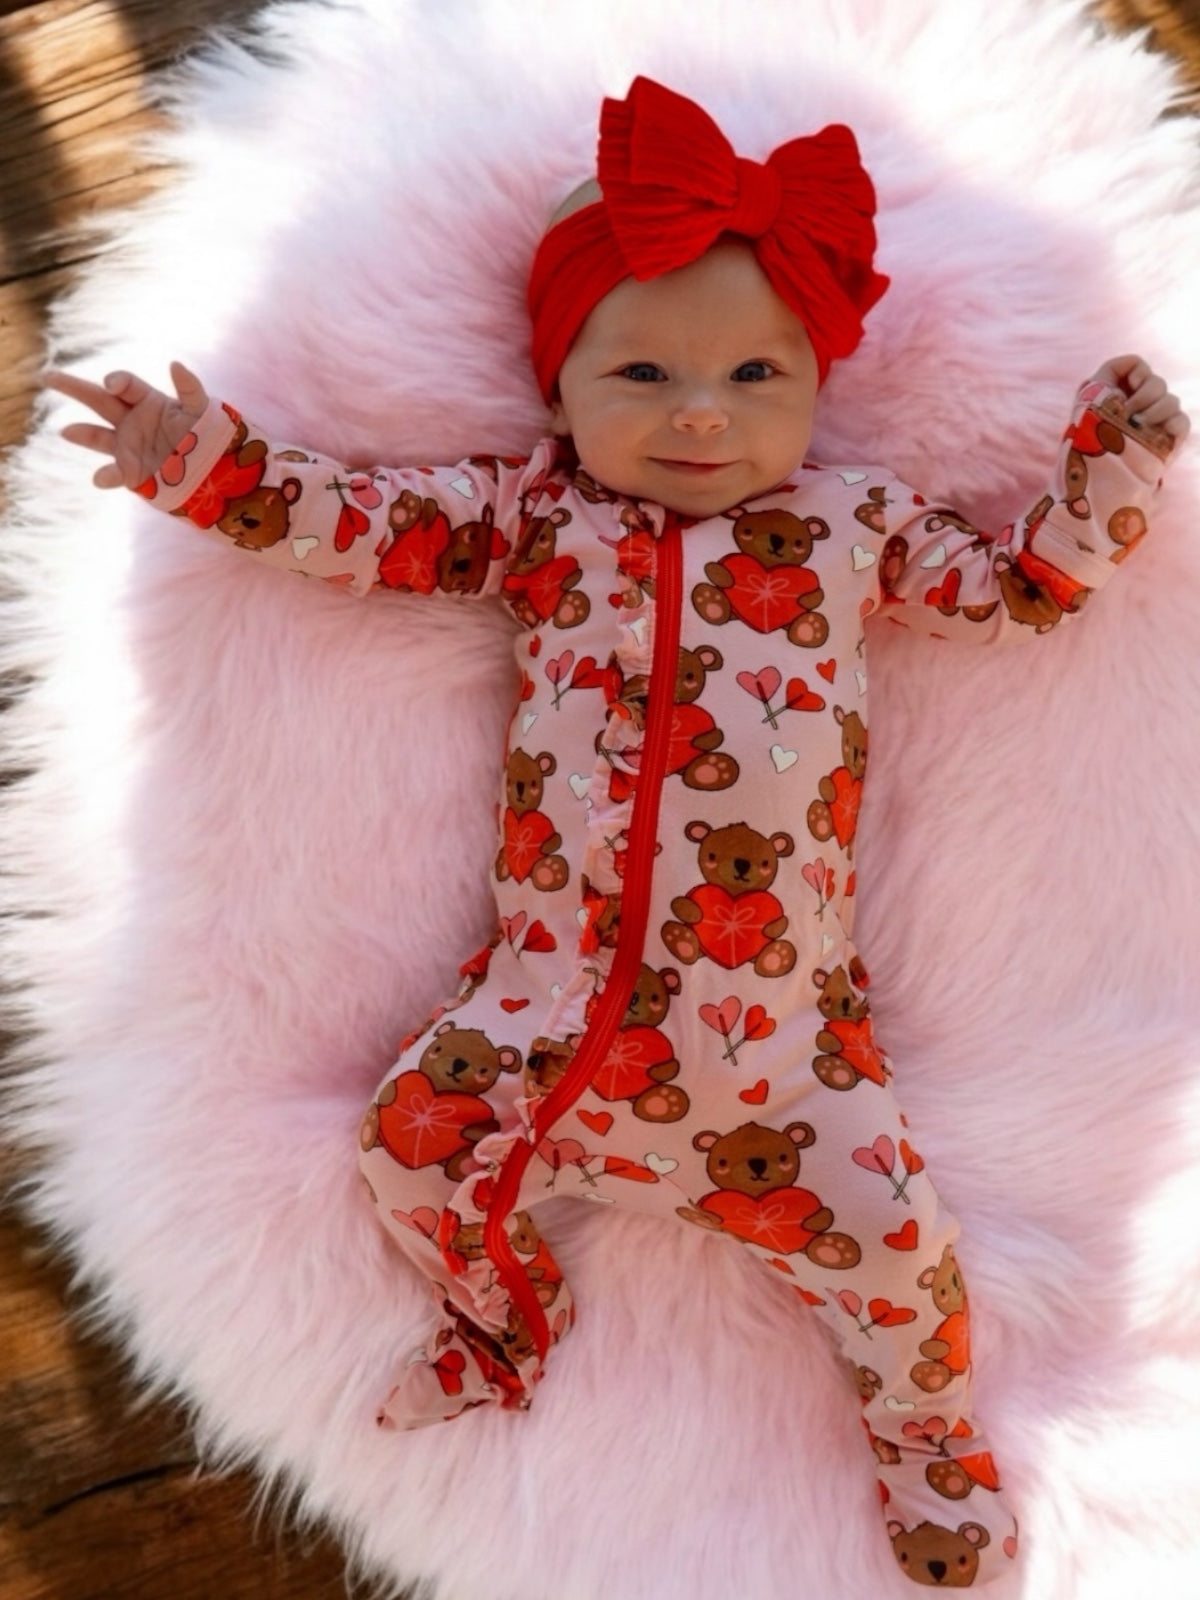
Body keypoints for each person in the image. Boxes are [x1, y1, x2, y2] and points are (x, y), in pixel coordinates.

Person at [46, 75, 1188, 1591]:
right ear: (562, 385)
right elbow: (360, 520)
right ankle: (503, 1317)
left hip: (787, 1065)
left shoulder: (848, 536)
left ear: (814, 390)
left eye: (757, 376)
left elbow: (1020, 587)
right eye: (643, 370)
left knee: (909, 1276)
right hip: (536, 1027)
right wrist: (206, 461)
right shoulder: (534, 522)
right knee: (405, 1149)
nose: (701, 411)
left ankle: (932, 1450)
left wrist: (1108, 479)